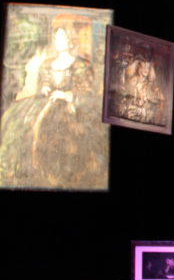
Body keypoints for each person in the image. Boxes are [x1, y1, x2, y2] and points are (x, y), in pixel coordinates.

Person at [0, 21, 103, 188]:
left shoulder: (80, 64)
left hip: (70, 106)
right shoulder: (47, 64)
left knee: (65, 133)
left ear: (70, 40)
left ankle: (65, 176)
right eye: (57, 37)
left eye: (62, 37)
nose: (59, 41)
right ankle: (30, 171)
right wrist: (45, 88)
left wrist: (66, 95)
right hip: (47, 103)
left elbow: (86, 92)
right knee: (22, 122)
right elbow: (44, 84)